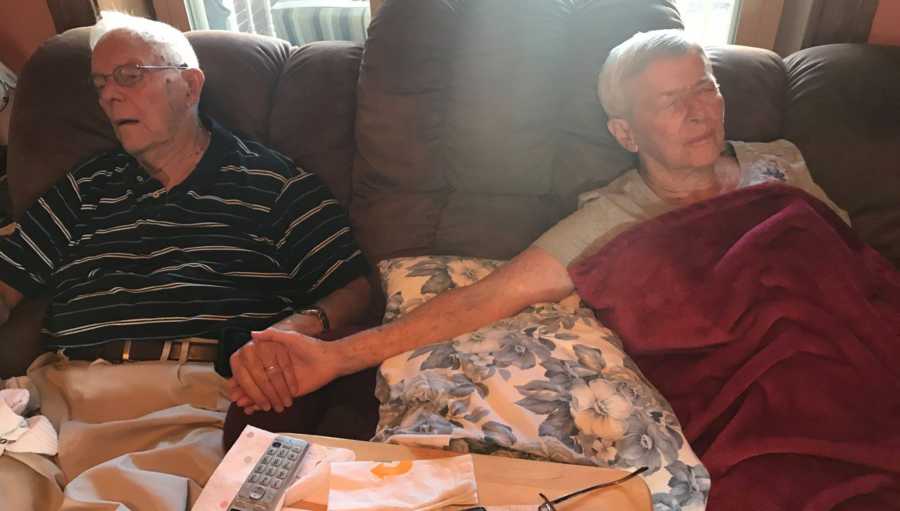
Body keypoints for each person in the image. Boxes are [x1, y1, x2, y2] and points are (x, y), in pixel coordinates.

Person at [226, 29, 849, 416]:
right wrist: (334, 358)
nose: (698, 112)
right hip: (764, 392)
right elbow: (492, 296)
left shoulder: (781, 161)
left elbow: (846, 267)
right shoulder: (613, 213)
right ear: (625, 133)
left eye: (705, 87)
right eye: (669, 101)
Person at [0, 12, 371, 509]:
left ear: (190, 83)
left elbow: (354, 289)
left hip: (195, 406)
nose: (110, 95)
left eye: (129, 76)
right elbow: (6, 281)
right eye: (100, 84)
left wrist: (290, 331)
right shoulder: (84, 187)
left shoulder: (274, 184)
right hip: (56, 405)